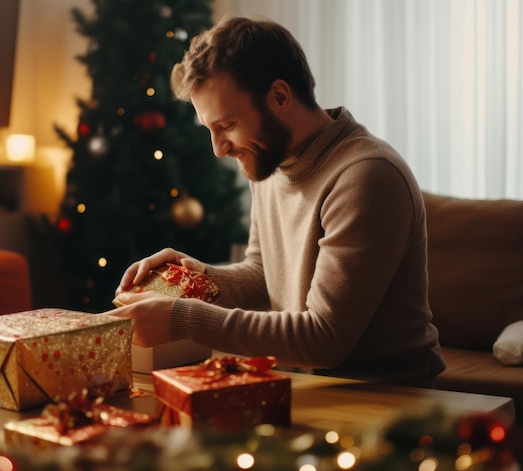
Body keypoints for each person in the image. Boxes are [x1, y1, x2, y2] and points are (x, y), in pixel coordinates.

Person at [111, 16, 446, 387]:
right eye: (210, 130)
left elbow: (324, 338)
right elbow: (262, 275)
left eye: (228, 125)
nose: (218, 149)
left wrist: (181, 318)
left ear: (281, 97)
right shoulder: (268, 163)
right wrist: (198, 278)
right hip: (307, 385)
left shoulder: (366, 176)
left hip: (387, 396)